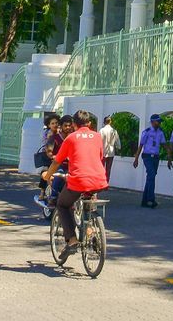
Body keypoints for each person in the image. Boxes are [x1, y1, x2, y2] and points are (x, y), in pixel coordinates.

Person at [42, 109, 108, 261]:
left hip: (78, 180)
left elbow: (57, 161)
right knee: (89, 204)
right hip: (99, 180)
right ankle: (90, 230)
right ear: (89, 123)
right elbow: (99, 157)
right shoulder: (98, 137)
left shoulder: (71, 138)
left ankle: (72, 240)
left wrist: (48, 175)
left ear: (73, 124)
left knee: (63, 204)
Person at [134, 113, 166, 207]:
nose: (159, 123)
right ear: (152, 122)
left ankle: (144, 200)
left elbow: (163, 144)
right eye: (158, 121)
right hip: (147, 156)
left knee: (150, 177)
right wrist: (136, 159)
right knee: (151, 175)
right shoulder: (146, 132)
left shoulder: (160, 132)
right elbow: (141, 146)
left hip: (156, 157)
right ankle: (151, 199)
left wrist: (169, 154)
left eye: (160, 122)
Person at [97, 113, 120, 182]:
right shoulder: (114, 131)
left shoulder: (101, 130)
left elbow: (98, 141)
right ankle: (106, 183)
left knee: (101, 168)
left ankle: (101, 182)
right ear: (110, 122)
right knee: (108, 169)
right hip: (111, 152)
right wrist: (118, 147)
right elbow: (117, 142)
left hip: (103, 152)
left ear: (104, 122)